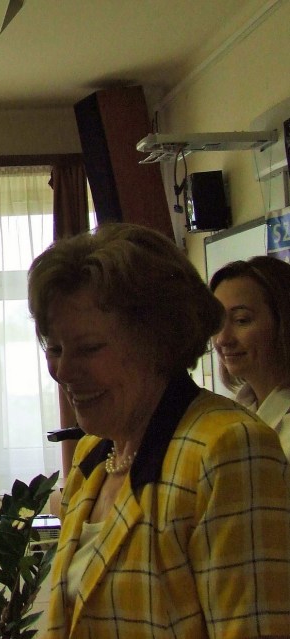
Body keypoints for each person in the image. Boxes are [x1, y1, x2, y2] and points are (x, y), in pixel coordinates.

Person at [27, 223, 290, 638]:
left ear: (158, 341)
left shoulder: (228, 449)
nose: (64, 371)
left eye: (90, 348)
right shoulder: (94, 455)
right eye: (55, 348)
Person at [210, 255, 290, 460]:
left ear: (283, 322)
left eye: (241, 320)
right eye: (217, 323)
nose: (222, 339)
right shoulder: (235, 411)